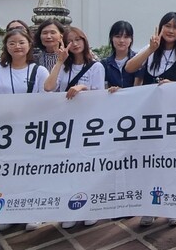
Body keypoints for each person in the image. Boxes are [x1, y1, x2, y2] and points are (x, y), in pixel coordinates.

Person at [125, 12, 176, 227]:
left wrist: (172, 86)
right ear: (160, 27)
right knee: (149, 163)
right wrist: (150, 49)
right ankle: (150, 206)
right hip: (150, 117)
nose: (171, 30)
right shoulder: (149, 52)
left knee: (171, 162)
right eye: (167, 25)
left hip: (173, 117)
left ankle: (171, 206)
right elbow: (128, 68)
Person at [0, 28, 51, 232]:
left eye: (21, 43)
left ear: (29, 45)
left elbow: (44, 102)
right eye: (12, 43)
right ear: (5, 47)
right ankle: (8, 211)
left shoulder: (39, 71)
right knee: (7, 170)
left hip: (31, 129)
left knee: (31, 170)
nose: (17, 47)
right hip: (3, 131)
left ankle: (34, 211)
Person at [44, 27, 105, 229]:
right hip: (66, 124)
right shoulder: (64, 66)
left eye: (79, 39)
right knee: (68, 166)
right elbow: (49, 87)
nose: (75, 43)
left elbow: (99, 95)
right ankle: (70, 208)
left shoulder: (96, 67)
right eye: (70, 40)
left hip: (88, 124)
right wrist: (60, 61)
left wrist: (82, 87)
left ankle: (89, 207)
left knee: (87, 165)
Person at [102, 21, 144, 92]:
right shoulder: (105, 64)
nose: (121, 40)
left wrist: (122, 92)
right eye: (118, 36)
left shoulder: (138, 60)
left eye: (126, 37)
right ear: (111, 38)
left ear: (131, 39)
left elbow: (137, 89)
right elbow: (103, 89)